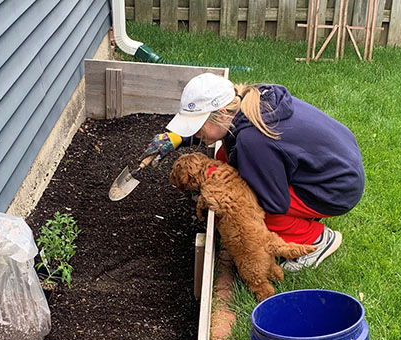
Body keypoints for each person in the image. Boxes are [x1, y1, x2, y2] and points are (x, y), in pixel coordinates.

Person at [144, 72, 365, 271]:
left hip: (337, 189)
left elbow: (274, 203)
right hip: (335, 164)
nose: (195, 132)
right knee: (224, 157)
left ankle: (317, 239)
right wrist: (178, 138)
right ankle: (304, 217)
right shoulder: (248, 100)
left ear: (221, 113)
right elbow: (219, 133)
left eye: (197, 126)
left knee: (245, 209)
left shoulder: (252, 141)